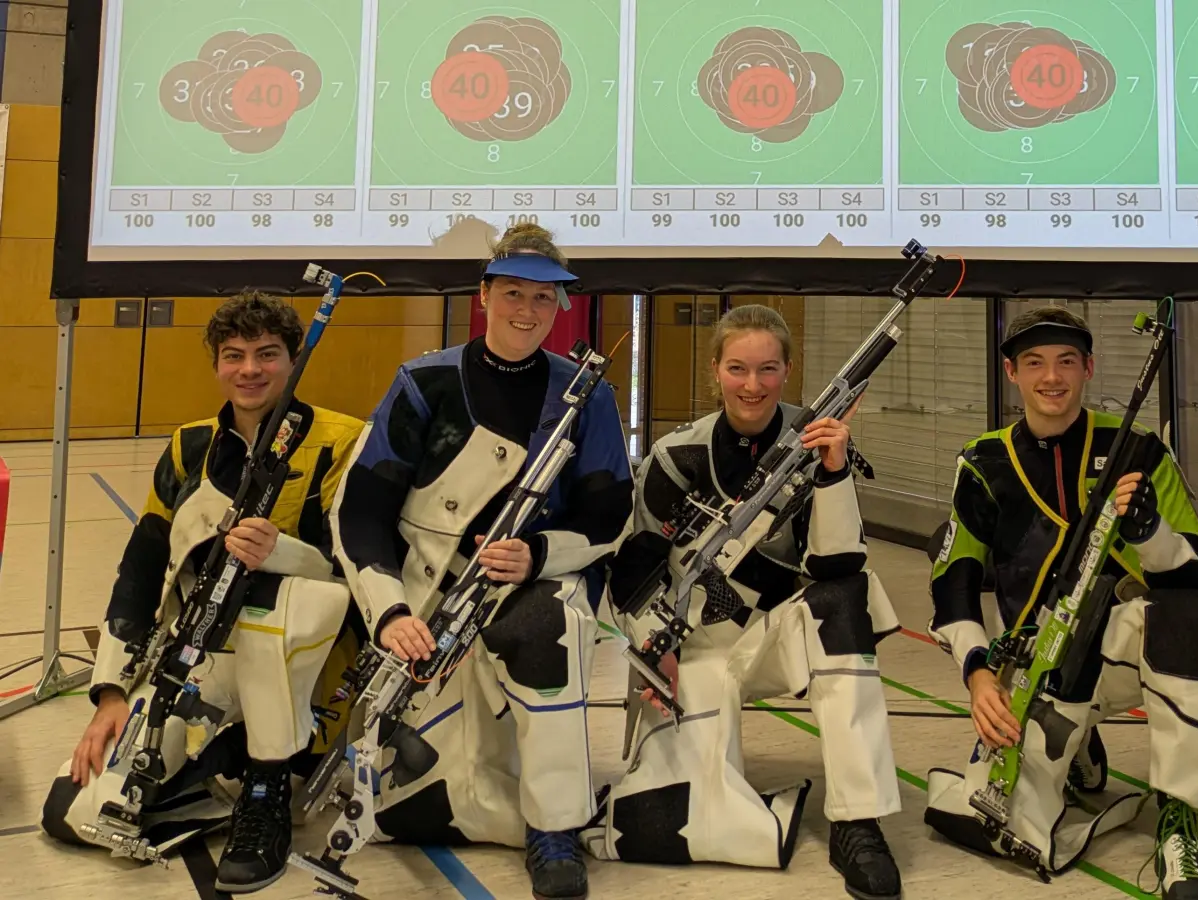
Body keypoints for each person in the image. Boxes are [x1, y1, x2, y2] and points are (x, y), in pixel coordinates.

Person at [922, 306, 1198, 900]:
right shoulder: (982, 461)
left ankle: (1178, 818)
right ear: (1011, 372)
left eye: (1066, 361)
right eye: (1034, 363)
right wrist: (979, 675)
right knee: (998, 818)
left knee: (1187, 628)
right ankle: (1077, 741)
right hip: (1038, 660)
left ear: (1088, 368)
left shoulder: (1136, 448)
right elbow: (952, 584)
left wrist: (1150, 535)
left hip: (1130, 646)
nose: (1051, 377)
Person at [328, 224, 632, 900]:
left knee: (547, 630)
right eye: (514, 293)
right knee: (404, 798)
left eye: (544, 299)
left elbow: (609, 514)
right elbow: (361, 514)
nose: (527, 312)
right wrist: (391, 613)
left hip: (535, 584)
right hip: (426, 599)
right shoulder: (422, 384)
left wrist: (541, 555)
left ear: (560, 308)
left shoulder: (589, 396)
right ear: (484, 295)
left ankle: (554, 827)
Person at [41, 292, 365, 893]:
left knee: (279, 634)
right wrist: (113, 692)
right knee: (71, 808)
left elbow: (356, 575)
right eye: (234, 355)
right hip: (200, 658)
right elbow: (141, 567)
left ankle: (266, 785)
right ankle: (222, 784)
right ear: (216, 364)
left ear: (293, 359)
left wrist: (283, 553)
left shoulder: (343, 442)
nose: (250, 370)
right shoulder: (190, 446)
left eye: (268, 354)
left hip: (301, 664)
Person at [582, 304, 904, 900]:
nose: (752, 385)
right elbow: (631, 573)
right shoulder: (676, 455)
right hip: (690, 648)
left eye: (767, 369)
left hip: (773, 639)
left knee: (846, 601)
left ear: (787, 370)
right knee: (680, 819)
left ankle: (859, 820)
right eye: (737, 368)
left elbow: (836, 566)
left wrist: (832, 471)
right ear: (715, 370)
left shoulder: (812, 444)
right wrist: (654, 656)